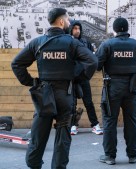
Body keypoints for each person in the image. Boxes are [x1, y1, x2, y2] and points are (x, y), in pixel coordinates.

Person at [11, 8, 97, 169]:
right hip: (65, 94)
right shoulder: (72, 42)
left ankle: (33, 163)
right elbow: (92, 61)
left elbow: (16, 63)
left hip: (44, 94)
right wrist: (78, 78)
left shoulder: (38, 42)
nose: (70, 23)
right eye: (69, 20)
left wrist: (31, 82)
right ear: (61, 22)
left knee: (38, 134)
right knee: (63, 136)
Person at [95, 17, 136, 165]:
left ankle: (110, 156)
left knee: (109, 121)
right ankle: (133, 155)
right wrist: (134, 66)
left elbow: (96, 65)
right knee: (131, 121)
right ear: (127, 29)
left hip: (111, 88)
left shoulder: (107, 44)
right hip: (132, 87)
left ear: (114, 29)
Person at [69, 20, 103, 135]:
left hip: (83, 78)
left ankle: (95, 125)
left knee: (88, 102)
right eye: (75, 28)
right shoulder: (66, 42)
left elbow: (92, 59)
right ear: (70, 29)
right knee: (72, 103)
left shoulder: (85, 42)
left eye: (78, 28)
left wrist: (87, 74)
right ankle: (73, 125)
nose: (77, 31)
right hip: (70, 78)